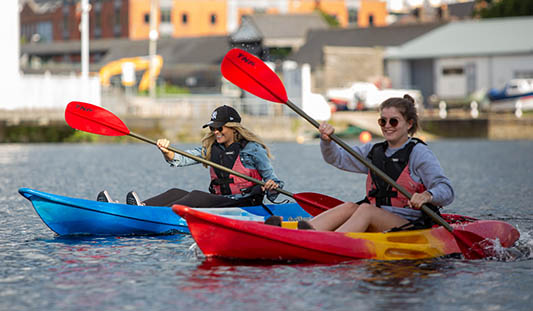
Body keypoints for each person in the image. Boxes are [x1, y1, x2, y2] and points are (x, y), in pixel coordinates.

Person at [267, 94, 454, 232]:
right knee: (351, 206)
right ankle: (304, 230)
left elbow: (446, 190)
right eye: (383, 121)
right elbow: (337, 158)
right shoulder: (374, 151)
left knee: (365, 210)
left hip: (409, 226)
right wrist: (326, 141)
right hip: (377, 218)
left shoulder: (418, 153)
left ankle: (328, 240)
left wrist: (427, 196)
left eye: (394, 121)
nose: (387, 126)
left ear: (409, 124)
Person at [97, 105, 283, 207]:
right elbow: (181, 159)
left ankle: (151, 214)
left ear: (234, 128)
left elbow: (274, 182)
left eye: (220, 128)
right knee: (175, 192)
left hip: (246, 204)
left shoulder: (253, 149)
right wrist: (167, 151)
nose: (216, 131)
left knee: (196, 195)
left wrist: (272, 186)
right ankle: (137, 209)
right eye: (212, 128)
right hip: (223, 202)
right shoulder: (211, 148)